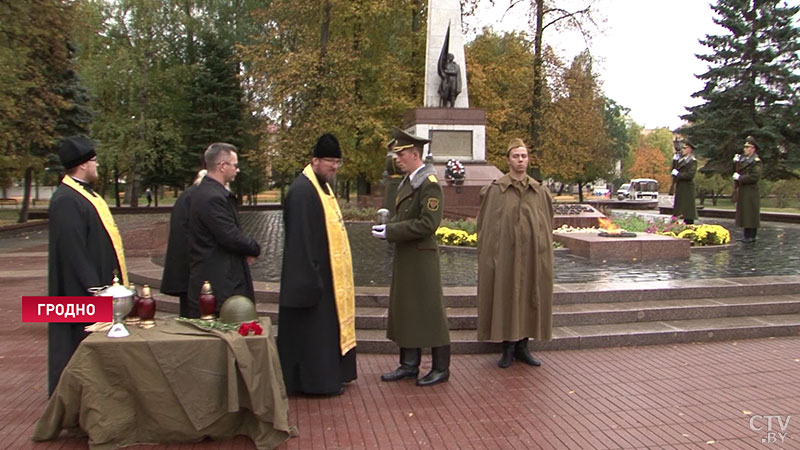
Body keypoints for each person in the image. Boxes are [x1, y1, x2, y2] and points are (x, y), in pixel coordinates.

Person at [47, 135, 128, 396]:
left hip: (95, 286)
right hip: (80, 292)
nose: (97, 165)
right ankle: (74, 401)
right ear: (83, 164)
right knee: (77, 348)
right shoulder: (66, 200)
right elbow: (74, 250)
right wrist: (98, 291)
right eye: (94, 161)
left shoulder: (83, 195)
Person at [278, 133, 357, 396]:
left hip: (325, 274)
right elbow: (300, 241)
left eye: (337, 162)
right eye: (329, 161)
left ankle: (330, 376)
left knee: (322, 334)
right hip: (312, 278)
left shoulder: (322, 187)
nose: (334, 167)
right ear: (314, 161)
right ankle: (315, 383)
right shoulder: (302, 192)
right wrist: (311, 280)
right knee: (312, 336)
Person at [371, 128, 451, 387]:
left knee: (430, 312)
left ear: (415, 154)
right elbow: (405, 216)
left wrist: (392, 230)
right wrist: (389, 227)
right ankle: (409, 364)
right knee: (407, 309)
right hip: (408, 254)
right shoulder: (408, 181)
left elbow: (428, 224)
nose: (397, 158)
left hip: (421, 257)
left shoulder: (429, 184)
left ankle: (441, 367)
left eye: (401, 154)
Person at [476, 138, 554, 368]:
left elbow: (547, 225)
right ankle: (507, 347)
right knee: (507, 294)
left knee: (530, 295)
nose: (520, 160)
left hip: (531, 256)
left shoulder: (539, 191)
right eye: (516, 156)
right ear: (508, 160)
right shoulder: (496, 190)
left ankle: (523, 346)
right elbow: (487, 227)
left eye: (524, 156)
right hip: (506, 256)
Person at [187, 143, 260, 318]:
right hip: (218, 282)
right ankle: (105, 317)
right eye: (235, 165)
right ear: (222, 166)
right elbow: (229, 236)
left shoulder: (209, 192)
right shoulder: (212, 197)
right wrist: (253, 247)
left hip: (220, 277)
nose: (237, 170)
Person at [161, 169, 206, 317]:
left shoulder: (189, 195)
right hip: (192, 267)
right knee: (194, 312)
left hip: (185, 266)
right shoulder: (198, 197)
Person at [733, 136, 762, 243]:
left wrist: (740, 178)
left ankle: (752, 235)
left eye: (748, 147)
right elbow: (737, 171)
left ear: (753, 148)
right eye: (745, 147)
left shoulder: (756, 161)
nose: (745, 149)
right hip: (744, 189)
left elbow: (754, 177)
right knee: (745, 212)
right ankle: (746, 235)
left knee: (751, 212)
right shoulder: (744, 160)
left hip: (751, 190)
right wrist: (735, 162)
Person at [671, 140, 698, 224]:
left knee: (688, 211)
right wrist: (674, 161)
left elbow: (690, 175)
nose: (683, 150)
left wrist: (678, 174)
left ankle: (689, 225)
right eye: (682, 148)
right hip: (680, 187)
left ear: (690, 149)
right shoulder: (680, 160)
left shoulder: (692, 161)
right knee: (678, 210)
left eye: (685, 148)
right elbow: (673, 170)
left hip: (687, 188)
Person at [382, 139, 404, 211]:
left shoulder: (393, 157)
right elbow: (398, 169)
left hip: (396, 181)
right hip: (395, 182)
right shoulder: (392, 158)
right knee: (392, 202)